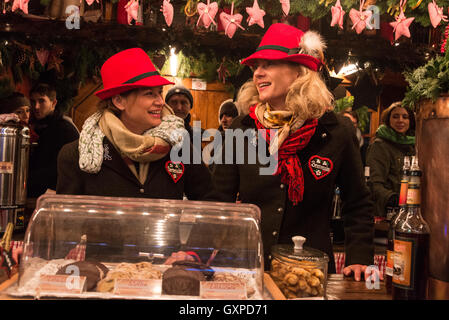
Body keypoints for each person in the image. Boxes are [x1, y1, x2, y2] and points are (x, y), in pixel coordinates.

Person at [210, 23, 376, 281]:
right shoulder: (240, 129)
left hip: (313, 274)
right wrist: (206, 256)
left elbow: (357, 202)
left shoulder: (336, 130)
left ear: (299, 72)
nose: (258, 74)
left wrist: (360, 258)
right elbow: (219, 202)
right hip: (251, 270)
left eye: (269, 64)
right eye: (256, 67)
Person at [56, 48, 213, 201]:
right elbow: (66, 221)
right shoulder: (79, 154)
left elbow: (210, 201)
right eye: (149, 94)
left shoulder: (179, 144)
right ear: (119, 101)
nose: (160, 102)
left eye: (160, 92)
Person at [27, 83, 79, 198]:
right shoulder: (35, 126)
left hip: (56, 195)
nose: (36, 107)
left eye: (41, 101)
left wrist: (27, 179)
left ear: (53, 103)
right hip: (37, 191)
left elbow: (66, 167)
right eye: (33, 101)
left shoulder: (64, 128)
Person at [366, 101, 415, 217]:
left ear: (410, 121)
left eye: (405, 117)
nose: (400, 120)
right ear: (388, 120)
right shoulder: (380, 145)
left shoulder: (413, 144)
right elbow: (374, 183)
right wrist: (393, 198)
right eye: (395, 116)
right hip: (387, 211)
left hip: (410, 209)